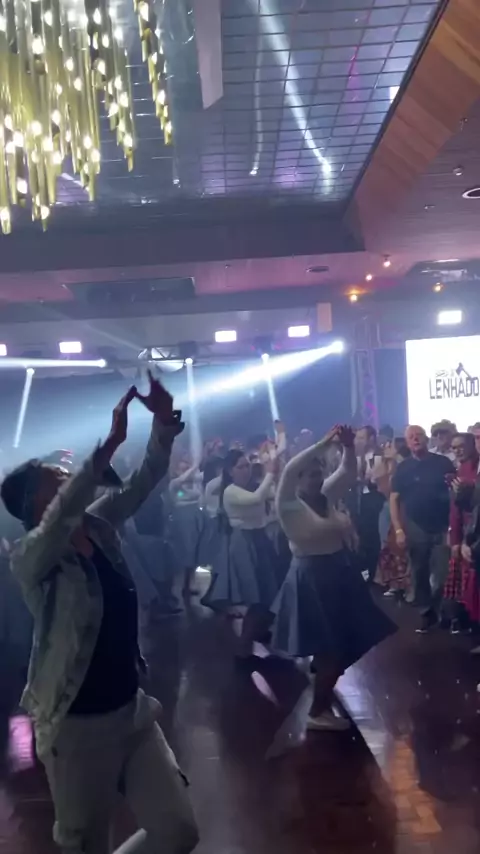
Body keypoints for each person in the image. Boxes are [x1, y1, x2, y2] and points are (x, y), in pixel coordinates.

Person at [0, 374, 198, 854]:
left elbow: (144, 480)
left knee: (177, 831)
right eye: (55, 480)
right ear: (36, 507)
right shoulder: (32, 558)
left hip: (131, 711)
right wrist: (108, 444)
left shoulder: (99, 527)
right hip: (77, 726)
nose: (67, 479)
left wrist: (163, 425)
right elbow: (64, 512)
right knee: (84, 844)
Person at [272, 425, 396, 731]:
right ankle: (318, 710)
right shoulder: (287, 503)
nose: (316, 479)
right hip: (312, 576)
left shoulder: (325, 495)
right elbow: (289, 469)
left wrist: (348, 447)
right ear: (298, 479)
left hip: (339, 571)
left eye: (318, 473)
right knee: (332, 646)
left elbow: (347, 472)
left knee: (353, 637)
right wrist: (324, 442)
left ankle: (323, 689)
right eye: (310, 475)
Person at [204, 448, 280, 658]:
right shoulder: (230, 491)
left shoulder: (252, 486)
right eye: (241, 467)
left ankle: (257, 633)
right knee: (255, 596)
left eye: (247, 466)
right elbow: (256, 499)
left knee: (266, 592)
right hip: (244, 543)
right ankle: (244, 646)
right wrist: (271, 473)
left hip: (258, 538)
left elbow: (273, 494)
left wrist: (275, 475)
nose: (246, 470)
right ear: (230, 471)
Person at [390, 425, 455, 633]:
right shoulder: (403, 468)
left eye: (419, 435)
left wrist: (454, 526)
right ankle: (426, 613)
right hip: (415, 526)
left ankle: (439, 609)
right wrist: (398, 529)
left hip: (442, 525)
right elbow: (394, 499)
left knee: (442, 574)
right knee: (419, 573)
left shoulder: (443, 463)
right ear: (407, 443)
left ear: (426, 439)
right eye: (411, 437)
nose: (415, 439)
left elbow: (454, 492)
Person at [444, 433, 480, 634]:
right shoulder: (460, 470)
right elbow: (455, 510)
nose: (457, 451)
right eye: (454, 447)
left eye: (461, 446)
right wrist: (456, 539)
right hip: (468, 534)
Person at [374, 439, 411, 598]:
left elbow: (388, 487)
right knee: (387, 544)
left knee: (400, 546)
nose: (385, 447)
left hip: (401, 507)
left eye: (390, 446)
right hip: (387, 506)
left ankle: (405, 584)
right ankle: (393, 583)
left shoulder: (404, 466)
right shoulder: (386, 464)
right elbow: (377, 481)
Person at [168, 458, 204, 597]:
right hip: (182, 518)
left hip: (195, 516)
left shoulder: (194, 483)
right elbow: (182, 480)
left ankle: (189, 583)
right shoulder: (174, 484)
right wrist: (194, 466)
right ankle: (182, 585)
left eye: (187, 468)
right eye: (183, 469)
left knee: (195, 551)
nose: (187, 472)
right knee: (186, 551)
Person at [354, 425, 385, 583]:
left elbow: (373, 480)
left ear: (371, 438)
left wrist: (360, 479)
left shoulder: (380, 455)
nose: (357, 441)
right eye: (357, 437)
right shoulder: (356, 456)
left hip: (375, 501)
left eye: (361, 437)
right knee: (362, 539)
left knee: (373, 539)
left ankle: (374, 574)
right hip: (359, 503)